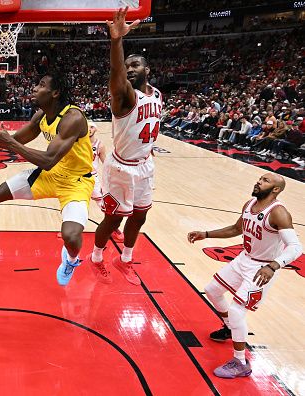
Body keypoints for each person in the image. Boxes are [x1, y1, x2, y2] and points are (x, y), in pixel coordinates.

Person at [0, 71, 96, 286]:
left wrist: (11, 144)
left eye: (41, 84)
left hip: (76, 181)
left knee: (71, 236)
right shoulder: (40, 115)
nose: (34, 89)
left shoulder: (73, 119)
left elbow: (47, 159)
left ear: (55, 92)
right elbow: (14, 140)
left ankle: (70, 260)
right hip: (51, 175)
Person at [188, 173, 302, 378]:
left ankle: (240, 362)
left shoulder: (279, 213)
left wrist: (273, 266)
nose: (259, 181)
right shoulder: (249, 204)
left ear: (276, 190)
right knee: (212, 290)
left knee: (237, 310)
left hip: (263, 268)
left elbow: (295, 248)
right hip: (244, 259)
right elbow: (236, 228)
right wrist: (206, 234)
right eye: (260, 178)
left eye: (265, 181)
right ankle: (230, 328)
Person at [90, 7, 162, 286]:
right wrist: (116, 41)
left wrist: (149, 147)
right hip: (121, 169)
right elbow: (116, 72)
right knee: (113, 220)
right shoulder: (124, 97)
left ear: (147, 70)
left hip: (145, 165)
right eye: (128, 66)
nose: (130, 69)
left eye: (136, 65)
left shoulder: (156, 94)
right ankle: (96, 258)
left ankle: (126, 259)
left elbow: (152, 123)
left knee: (140, 216)